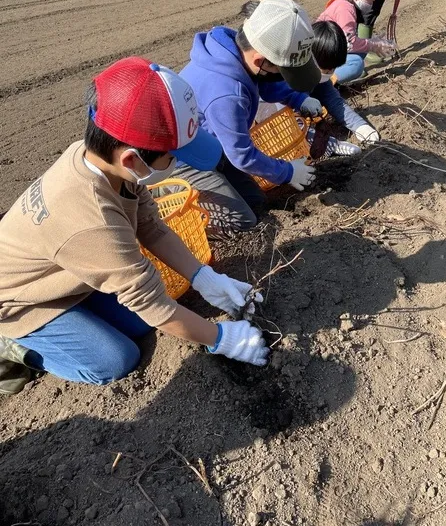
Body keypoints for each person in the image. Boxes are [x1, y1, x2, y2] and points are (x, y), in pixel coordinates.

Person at [0, 57, 270, 396]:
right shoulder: (90, 221)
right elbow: (154, 305)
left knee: (142, 323)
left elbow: (151, 227)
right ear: (131, 158)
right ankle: (12, 344)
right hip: (19, 300)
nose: (176, 163)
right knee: (116, 360)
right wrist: (222, 339)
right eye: (172, 156)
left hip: (65, 273)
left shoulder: (102, 162)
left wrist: (205, 278)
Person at [167, 0, 321, 238]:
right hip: (181, 161)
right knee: (242, 221)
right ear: (260, 61)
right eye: (282, 71)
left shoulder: (236, 53)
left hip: (213, 147)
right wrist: (287, 172)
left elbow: (264, 83)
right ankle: (179, 222)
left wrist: (298, 99)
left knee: (255, 200)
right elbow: (241, 155)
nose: (281, 76)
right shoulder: (227, 93)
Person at [256, 19, 381, 149]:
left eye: (333, 69)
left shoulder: (320, 80)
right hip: (267, 124)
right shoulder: (282, 79)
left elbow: (335, 102)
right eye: (326, 70)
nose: (329, 73)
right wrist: (327, 145)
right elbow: (273, 116)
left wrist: (360, 126)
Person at [316, 0, 395, 83]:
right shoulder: (345, 8)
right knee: (356, 64)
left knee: (362, 50)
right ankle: (323, 83)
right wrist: (373, 45)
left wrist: (372, 41)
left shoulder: (348, 4)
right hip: (320, 53)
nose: (374, 0)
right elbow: (350, 43)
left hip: (329, 50)